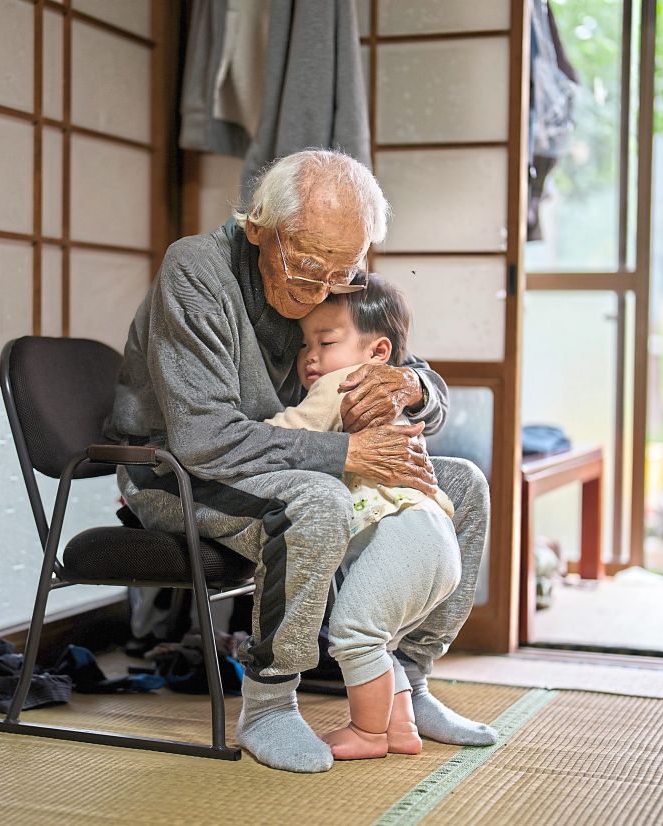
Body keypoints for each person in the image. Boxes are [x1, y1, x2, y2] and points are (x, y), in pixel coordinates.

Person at [105, 149, 494, 773]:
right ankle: (267, 705)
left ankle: (410, 680)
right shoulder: (197, 271)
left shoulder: (335, 268)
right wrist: (346, 452)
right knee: (319, 501)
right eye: (310, 270)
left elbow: (401, 360)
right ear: (259, 227)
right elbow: (204, 439)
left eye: (343, 274)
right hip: (177, 473)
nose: (325, 291)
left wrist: (415, 389)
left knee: (462, 486)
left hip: (295, 458)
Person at [263, 276, 461, 759]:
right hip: (431, 537)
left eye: (325, 342)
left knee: (353, 633)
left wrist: (244, 433)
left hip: (399, 532)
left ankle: (368, 734)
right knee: (379, 641)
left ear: (378, 352)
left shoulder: (343, 383)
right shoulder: (379, 386)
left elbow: (290, 432)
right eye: (305, 343)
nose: (311, 356)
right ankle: (400, 728)